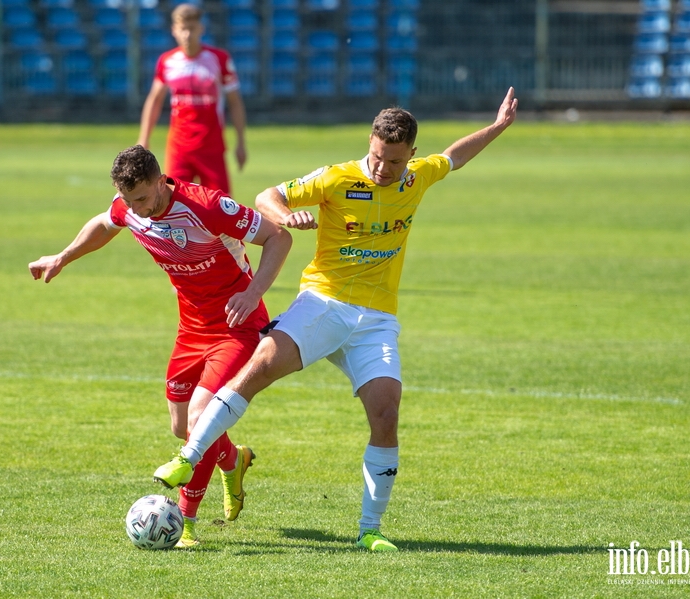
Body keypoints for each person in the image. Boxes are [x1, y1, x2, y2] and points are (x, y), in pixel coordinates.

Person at [152, 88, 519, 552]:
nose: (383, 169)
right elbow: (268, 196)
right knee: (260, 365)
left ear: (412, 156)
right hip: (323, 302)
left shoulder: (417, 178)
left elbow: (453, 157)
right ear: (370, 142)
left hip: (377, 319)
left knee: (386, 415)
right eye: (377, 157)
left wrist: (498, 127)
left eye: (394, 161)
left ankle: (371, 530)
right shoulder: (337, 178)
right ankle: (188, 456)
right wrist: (288, 215)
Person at [28, 145, 292, 548]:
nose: (138, 209)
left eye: (144, 198)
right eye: (130, 200)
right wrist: (63, 257)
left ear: (160, 180)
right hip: (191, 329)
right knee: (180, 425)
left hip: (236, 325)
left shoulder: (207, 206)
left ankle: (183, 523)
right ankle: (233, 460)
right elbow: (105, 223)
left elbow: (278, 237)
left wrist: (254, 293)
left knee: (199, 420)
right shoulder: (128, 207)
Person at [136, 3, 247, 196]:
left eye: (191, 29)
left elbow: (235, 102)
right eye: (182, 29)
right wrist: (144, 138)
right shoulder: (167, 61)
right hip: (179, 147)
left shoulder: (218, 59)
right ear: (174, 31)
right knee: (172, 203)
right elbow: (155, 100)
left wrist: (241, 142)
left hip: (211, 146)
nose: (187, 35)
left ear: (200, 29)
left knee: (221, 206)